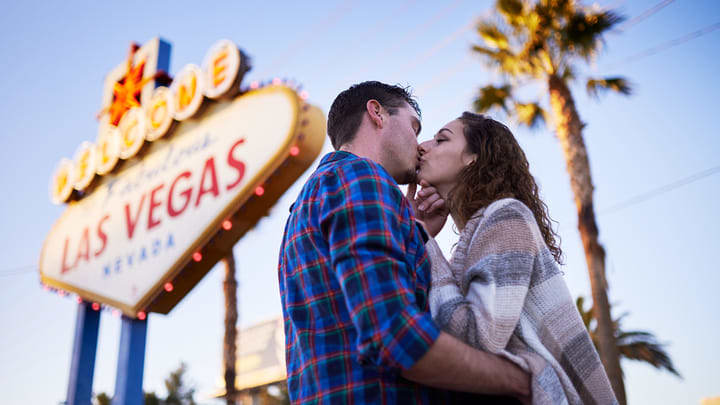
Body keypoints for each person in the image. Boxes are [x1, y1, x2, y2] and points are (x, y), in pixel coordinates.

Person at [278, 82, 531, 404]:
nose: (420, 144)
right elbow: (393, 335)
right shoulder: (362, 177)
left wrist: (414, 231)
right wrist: (520, 378)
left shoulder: (309, 201)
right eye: (415, 127)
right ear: (377, 113)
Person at [412, 112, 618, 405]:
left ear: (473, 157)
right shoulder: (482, 231)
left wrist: (424, 240)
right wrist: (426, 235)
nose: (423, 145)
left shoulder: (507, 216)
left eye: (441, 139)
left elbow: (479, 336)